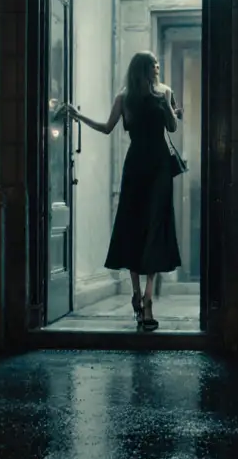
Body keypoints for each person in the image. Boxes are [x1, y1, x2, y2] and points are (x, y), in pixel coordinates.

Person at [64, 51, 183, 331]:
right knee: (134, 227)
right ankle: (135, 294)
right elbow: (107, 128)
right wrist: (78, 115)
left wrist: (166, 103)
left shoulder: (165, 92)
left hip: (159, 168)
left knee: (155, 226)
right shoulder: (124, 98)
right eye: (152, 65)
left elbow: (173, 127)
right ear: (141, 69)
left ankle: (149, 298)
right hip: (136, 168)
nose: (157, 68)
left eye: (157, 64)